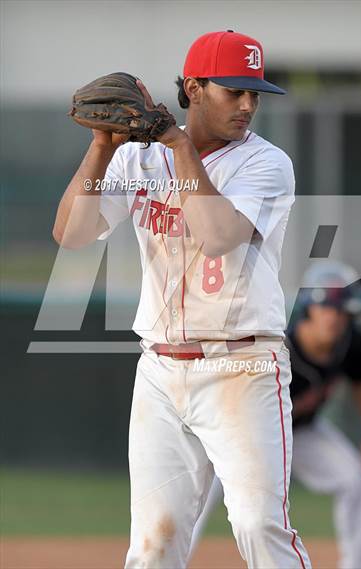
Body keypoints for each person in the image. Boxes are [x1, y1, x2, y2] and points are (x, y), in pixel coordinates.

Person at [53, 30, 311, 569]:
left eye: (254, 93)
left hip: (243, 367)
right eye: (233, 90)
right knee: (152, 546)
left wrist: (177, 145)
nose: (247, 105)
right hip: (161, 372)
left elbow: (218, 236)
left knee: (259, 525)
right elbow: (71, 235)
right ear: (193, 88)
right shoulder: (135, 160)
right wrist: (103, 145)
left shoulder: (265, 163)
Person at [190, 261, 361, 569]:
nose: (335, 318)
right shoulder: (281, 346)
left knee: (357, 478)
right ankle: (171, 561)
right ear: (310, 308)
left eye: (342, 311)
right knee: (199, 496)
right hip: (244, 433)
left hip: (302, 432)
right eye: (328, 309)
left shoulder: (352, 342)